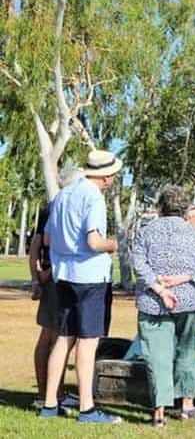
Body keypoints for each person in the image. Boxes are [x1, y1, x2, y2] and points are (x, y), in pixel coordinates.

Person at [39, 150, 122, 424]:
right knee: (87, 343)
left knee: (63, 339)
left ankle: (50, 404)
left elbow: (48, 238)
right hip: (89, 277)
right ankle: (87, 408)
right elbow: (94, 242)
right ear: (107, 177)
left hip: (63, 276)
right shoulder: (93, 198)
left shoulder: (62, 196)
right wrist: (115, 245)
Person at [132, 185, 195, 427]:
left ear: (160, 207)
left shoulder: (145, 232)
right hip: (190, 301)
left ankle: (159, 412)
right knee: (189, 351)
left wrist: (160, 288)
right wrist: (182, 278)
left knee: (157, 356)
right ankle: (187, 405)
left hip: (153, 302)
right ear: (185, 209)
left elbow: (139, 264)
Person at [29, 165, 84, 410]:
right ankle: (48, 395)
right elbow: (45, 243)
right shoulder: (59, 206)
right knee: (54, 337)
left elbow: (35, 246)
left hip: (51, 275)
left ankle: (54, 392)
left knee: (52, 336)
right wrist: (46, 274)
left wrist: (35, 277)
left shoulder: (50, 206)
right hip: (57, 276)